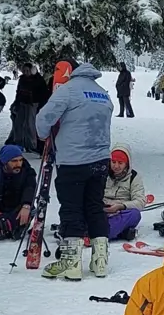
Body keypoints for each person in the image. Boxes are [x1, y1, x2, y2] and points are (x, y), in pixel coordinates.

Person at [36, 62, 113, 280]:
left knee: (71, 208)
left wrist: (42, 134)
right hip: (100, 159)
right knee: (95, 207)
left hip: (73, 160)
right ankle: (100, 262)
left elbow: (45, 117)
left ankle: (71, 262)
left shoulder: (69, 90)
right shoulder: (102, 93)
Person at [103, 144, 144, 241]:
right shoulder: (102, 173)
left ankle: (98, 233)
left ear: (127, 164)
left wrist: (121, 206)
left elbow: (140, 202)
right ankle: (121, 233)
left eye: (120, 163)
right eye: (113, 162)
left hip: (120, 213)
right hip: (100, 210)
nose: (116, 166)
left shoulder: (134, 177)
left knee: (135, 214)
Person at [8, 63, 41, 152]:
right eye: (24, 71)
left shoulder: (37, 79)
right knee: (19, 123)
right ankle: (19, 142)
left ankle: (32, 145)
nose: (26, 72)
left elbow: (41, 91)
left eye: (28, 70)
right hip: (22, 103)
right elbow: (18, 91)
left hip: (32, 104)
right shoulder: (22, 79)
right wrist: (16, 102)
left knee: (30, 124)